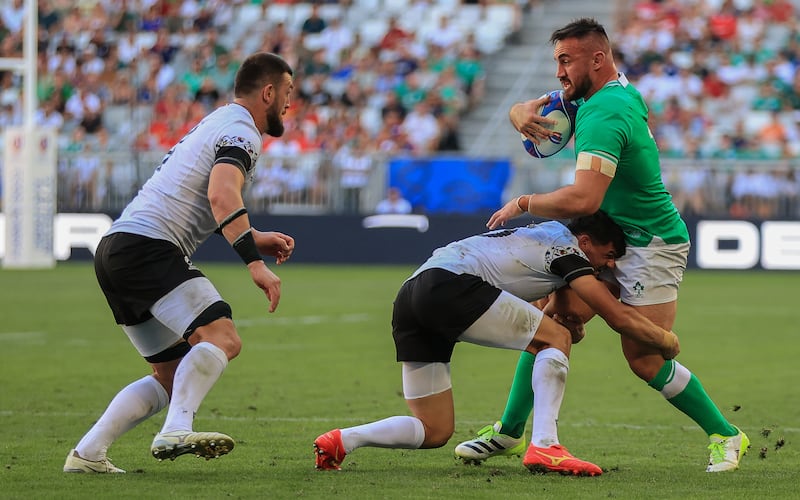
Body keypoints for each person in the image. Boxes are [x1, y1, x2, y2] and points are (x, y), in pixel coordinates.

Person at [455, 18, 748, 473]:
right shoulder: (600, 94)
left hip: (650, 243)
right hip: (608, 236)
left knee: (646, 359)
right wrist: (518, 114)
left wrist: (523, 202)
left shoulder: (604, 111)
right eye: (556, 61)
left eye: (566, 60)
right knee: (554, 323)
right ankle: (512, 432)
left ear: (597, 59)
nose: (559, 72)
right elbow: (527, 107)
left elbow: (584, 198)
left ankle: (727, 434)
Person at [63, 52, 296, 474]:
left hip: (116, 249)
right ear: (268, 91)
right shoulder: (241, 130)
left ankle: (88, 453)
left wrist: (254, 236)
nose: (288, 104)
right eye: (287, 93)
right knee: (223, 337)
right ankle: (176, 430)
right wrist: (253, 264)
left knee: (170, 376)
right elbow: (221, 195)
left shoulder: (216, 122)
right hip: (147, 247)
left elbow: (201, 201)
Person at [313, 211, 680, 475]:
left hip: (411, 295)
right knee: (555, 339)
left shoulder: (541, 236)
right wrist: (665, 340)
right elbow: (616, 316)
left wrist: (563, 325)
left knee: (434, 429)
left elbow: (543, 309)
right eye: (609, 256)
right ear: (586, 242)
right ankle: (546, 446)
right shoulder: (568, 251)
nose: (609, 266)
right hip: (451, 286)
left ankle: (342, 440)